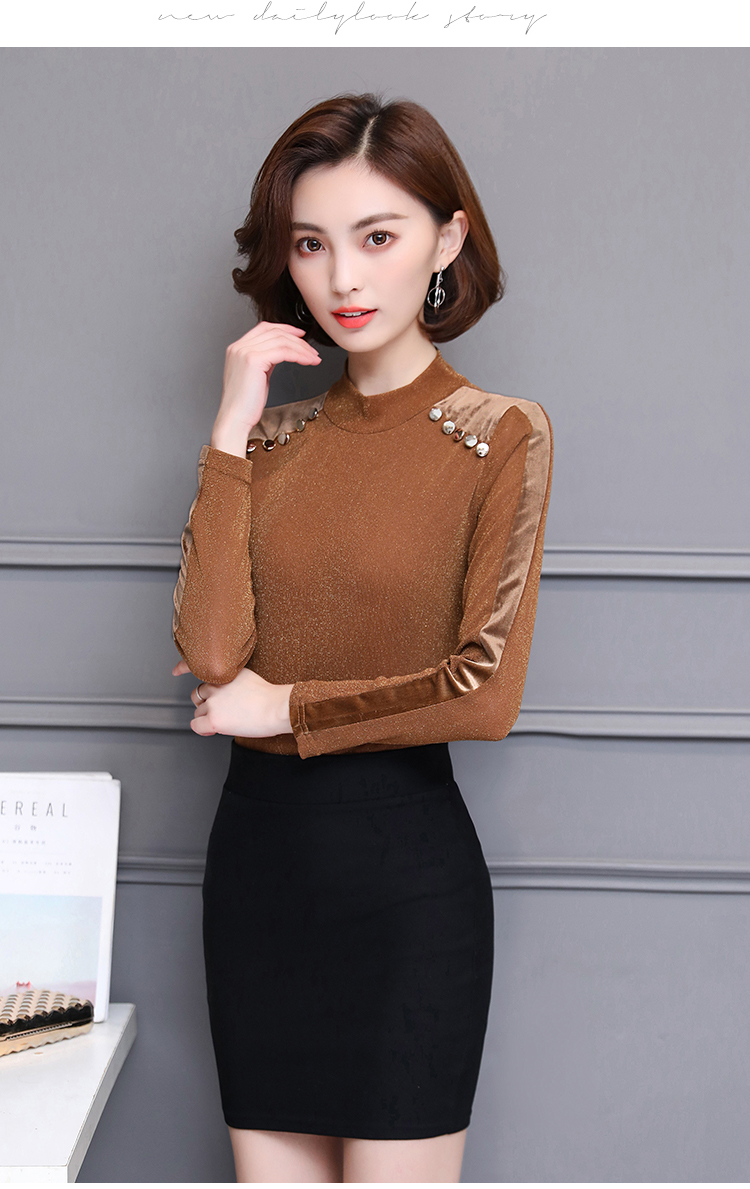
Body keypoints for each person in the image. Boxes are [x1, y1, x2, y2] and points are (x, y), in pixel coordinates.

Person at [170, 91, 553, 1184]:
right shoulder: (269, 441)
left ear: (448, 239)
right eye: (311, 244)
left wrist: (282, 706)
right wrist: (230, 426)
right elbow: (213, 654)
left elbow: (484, 695)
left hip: (406, 895)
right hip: (258, 881)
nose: (342, 277)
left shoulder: (499, 434)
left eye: (377, 237)